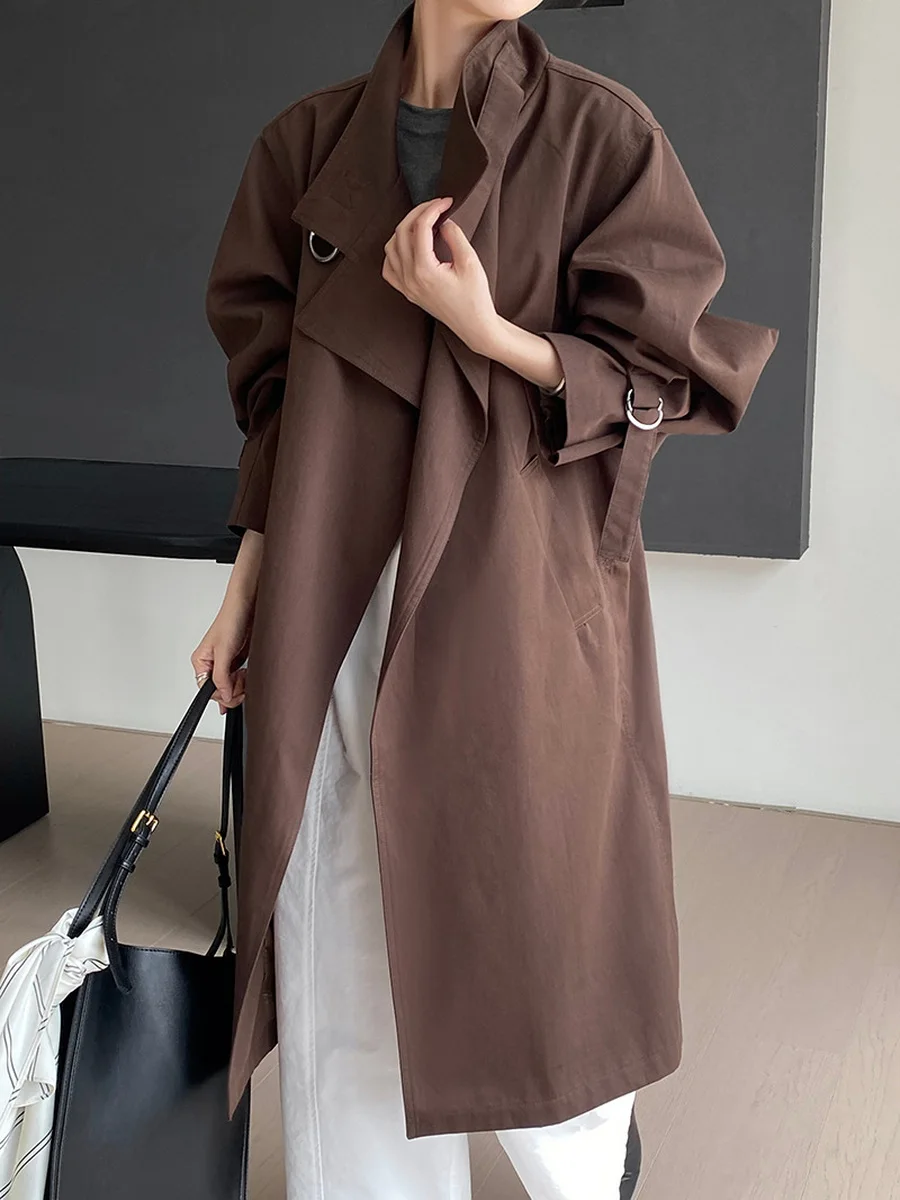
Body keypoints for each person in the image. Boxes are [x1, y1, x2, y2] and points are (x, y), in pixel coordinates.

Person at [193, 2, 779, 1197]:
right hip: (333, 595)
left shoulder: (602, 135)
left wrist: (487, 331)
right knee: (339, 911)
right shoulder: (304, 147)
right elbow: (276, 403)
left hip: (514, 592)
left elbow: (665, 374)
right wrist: (248, 586)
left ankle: (585, 1161)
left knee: (532, 905)